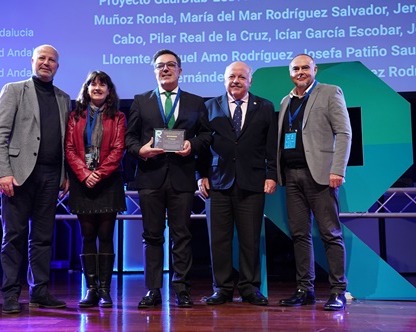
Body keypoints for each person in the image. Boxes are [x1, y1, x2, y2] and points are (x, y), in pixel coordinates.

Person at [125, 49, 211, 308]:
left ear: (180, 71)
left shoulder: (196, 102)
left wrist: (192, 145)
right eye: (160, 66)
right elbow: (129, 138)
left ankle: (182, 289)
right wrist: (140, 150)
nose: (165, 69)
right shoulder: (141, 101)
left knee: (181, 235)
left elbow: (206, 136)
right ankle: (153, 290)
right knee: (152, 236)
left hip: (182, 178)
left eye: (171, 65)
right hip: (151, 177)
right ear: (154, 71)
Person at [0, 44, 71, 314]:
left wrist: (65, 175)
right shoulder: (14, 90)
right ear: (32, 61)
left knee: (43, 238)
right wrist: (3, 172)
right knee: (13, 236)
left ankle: (40, 292)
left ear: (57, 66)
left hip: (51, 176)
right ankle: (11, 294)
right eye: (42, 59)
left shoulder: (63, 97)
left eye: (52, 60)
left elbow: (65, 141)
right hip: (18, 176)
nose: (46, 63)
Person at [198, 61, 278, 306]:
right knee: (218, 240)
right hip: (218, 182)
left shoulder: (264, 107)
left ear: (250, 81)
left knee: (250, 238)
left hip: (252, 182)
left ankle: (250, 288)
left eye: (241, 77)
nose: (236, 81)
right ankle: (221, 289)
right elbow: (202, 147)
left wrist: (272, 174)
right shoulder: (209, 106)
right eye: (231, 76)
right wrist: (200, 176)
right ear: (224, 80)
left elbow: (271, 145)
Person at [277, 54, 352, 311]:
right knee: (299, 235)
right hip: (292, 176)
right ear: (290, 73)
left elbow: (343, 132)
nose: (300, 72)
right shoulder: (286, 101)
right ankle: (304, 289)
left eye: (305, 68)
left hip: (321, 174)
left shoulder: (330, 92)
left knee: (330, 233)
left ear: (314, 69)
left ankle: (338, 291)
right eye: (295, 69)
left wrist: (337, 169)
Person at [65, 71, 127, 308]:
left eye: (103, 85)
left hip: (108, 181)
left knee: (106, 236)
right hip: (83, 182)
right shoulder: (75, 116)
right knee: (87, 236)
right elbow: (69, 148)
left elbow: (119, 148)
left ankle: (105, 290)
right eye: (93, 84)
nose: (98, 88)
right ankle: (91, 290)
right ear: (87, 89)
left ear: (109, 91)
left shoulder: (119, 117)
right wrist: (84, 174)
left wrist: (99, 174)